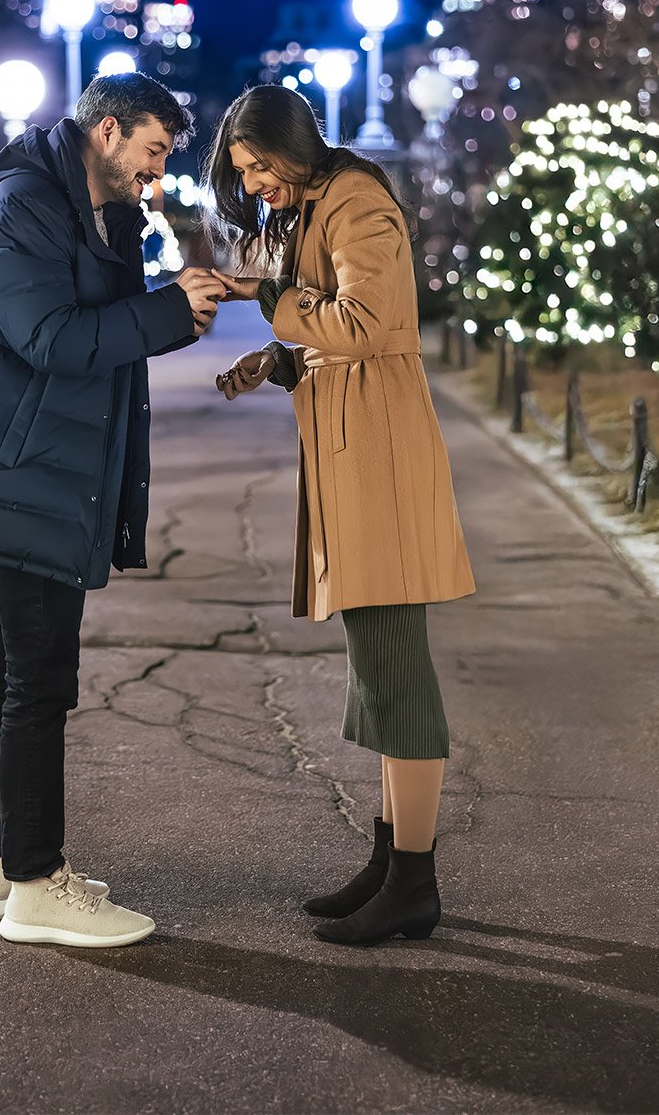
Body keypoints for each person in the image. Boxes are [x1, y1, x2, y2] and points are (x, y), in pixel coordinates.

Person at [0, 73, 227, 949]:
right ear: (106, 131)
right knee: (37, 681)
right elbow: (50, 339)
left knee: (7, 672)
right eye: (152, 152)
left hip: (40, 465)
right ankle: (36, 885)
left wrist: (169, 303)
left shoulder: (94, 204)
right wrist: (168, 311)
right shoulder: (23, 204)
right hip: (25, 467)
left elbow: (99, 317)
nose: (157, 175)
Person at [205, 83, 475, 947]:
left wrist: (265, 300)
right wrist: (280, 364)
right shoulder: (319, 204)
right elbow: (336, 335)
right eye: (244, 174)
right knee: (379, 669)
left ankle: (414, 882)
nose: (256, 186)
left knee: (398, 675)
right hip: (353, 453)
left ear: (298, 146)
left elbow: (370, 321)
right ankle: (391, 860)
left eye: (263, 166)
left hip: (381, 460)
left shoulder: (358, 201)